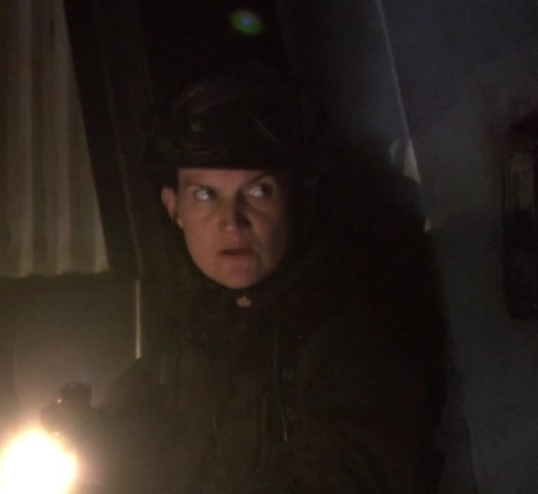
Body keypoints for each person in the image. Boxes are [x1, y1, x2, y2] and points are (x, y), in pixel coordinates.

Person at [51, 66, 446, 493]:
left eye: (258, 191)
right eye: (206, 195)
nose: (232, 221)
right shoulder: (187, 333)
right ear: (174, 207)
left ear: (296, 200)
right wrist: (94, 443)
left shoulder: (354, 338)